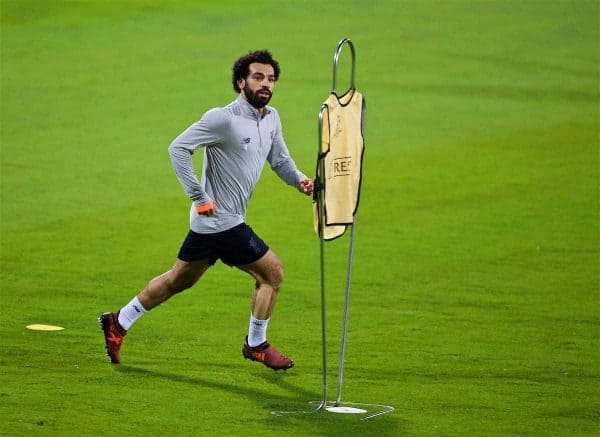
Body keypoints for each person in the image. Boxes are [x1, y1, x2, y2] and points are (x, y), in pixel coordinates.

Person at [99, 50, 313, 371]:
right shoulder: (222, 118)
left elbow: (279, 160)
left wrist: (300, 181)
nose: (265, 84)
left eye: (270, 79)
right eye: (258, 77)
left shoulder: (271, 118)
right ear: (241, 82)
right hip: (219, 220)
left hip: (212, 224)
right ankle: (256, 344)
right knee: (273, 274)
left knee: (177, 280)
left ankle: (119, 321)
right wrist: (198, 196)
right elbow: (178, 148)